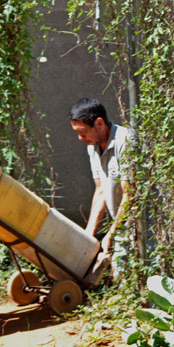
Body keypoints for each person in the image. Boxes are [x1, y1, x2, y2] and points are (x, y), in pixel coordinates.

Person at [69, 98, 135, 278]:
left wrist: (111, 233)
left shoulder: (126, 141)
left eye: (83, 132)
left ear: (99, 123)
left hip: (144, 226)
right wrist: (88, 236)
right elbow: (100, 191)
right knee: (121, 278)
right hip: (122, 225)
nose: (80, 138)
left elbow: (131, 195)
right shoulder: (93, 146)